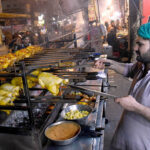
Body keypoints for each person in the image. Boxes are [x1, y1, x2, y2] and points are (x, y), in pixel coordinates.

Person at [95, 22, 150, 150]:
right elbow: (128, 69)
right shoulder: (143, 65)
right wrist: (108, 63)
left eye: (140, 44)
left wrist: (136, 107)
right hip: (123, 141)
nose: (135, 48)